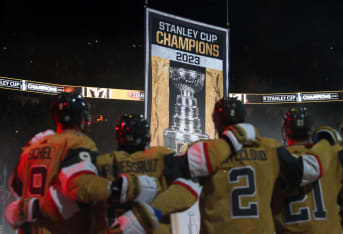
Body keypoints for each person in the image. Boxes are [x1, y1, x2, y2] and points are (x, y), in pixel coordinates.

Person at [165, 98, 326, 234]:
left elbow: (174, 174)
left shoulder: (206, 149)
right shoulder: (269, 148)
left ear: (215, 120)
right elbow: (309, 170)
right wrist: (328, 146)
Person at [6, 91, 158, 234]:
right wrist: (127, 186)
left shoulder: (33, 146)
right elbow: (80, 187)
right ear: (82, 118)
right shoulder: (77, 141)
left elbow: (16, 186)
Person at [97, 113, 202, 234]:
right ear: (147, 136)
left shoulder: (104, 162)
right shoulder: (162, 156)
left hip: (117, 228)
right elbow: (189, 189)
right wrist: (155, 210)